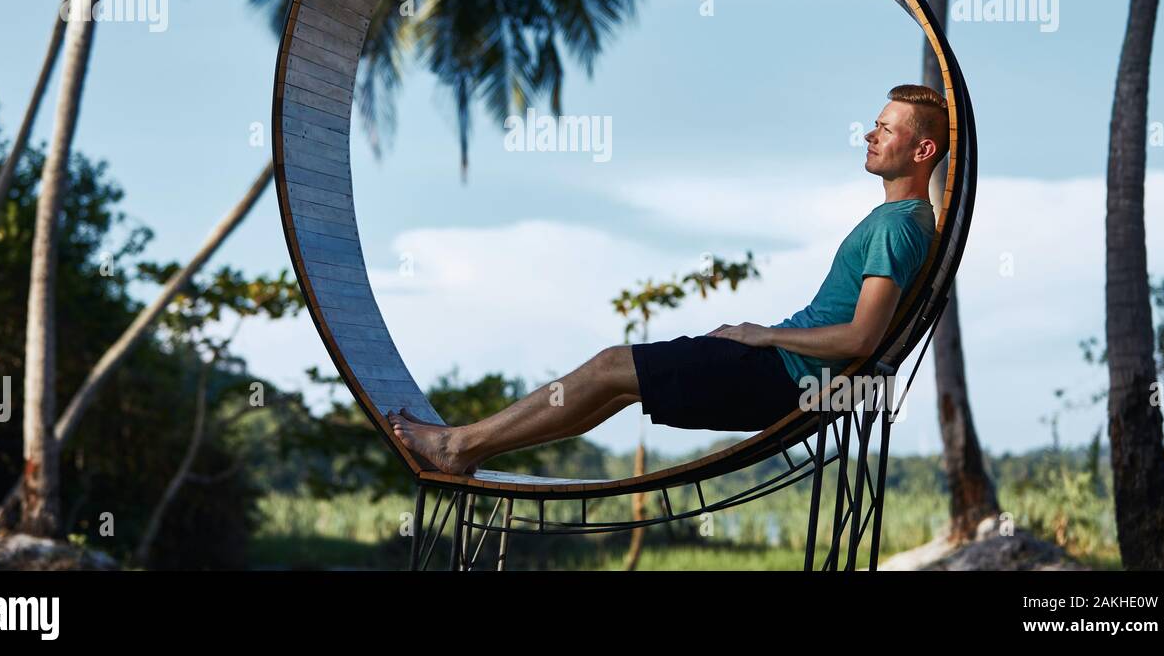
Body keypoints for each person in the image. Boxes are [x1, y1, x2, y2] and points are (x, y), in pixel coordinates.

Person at [388, 84, 947, 476]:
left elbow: (859, 339)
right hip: (786, 376)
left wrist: (763, 335)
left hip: (782, 376)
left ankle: (458, 445)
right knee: (619, 387)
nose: (869, 136)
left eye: (886, 129)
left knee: (612, 366)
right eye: (873, 124)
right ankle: (467, 451)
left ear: (922, 150)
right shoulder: (908, 220)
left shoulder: (897, 226)